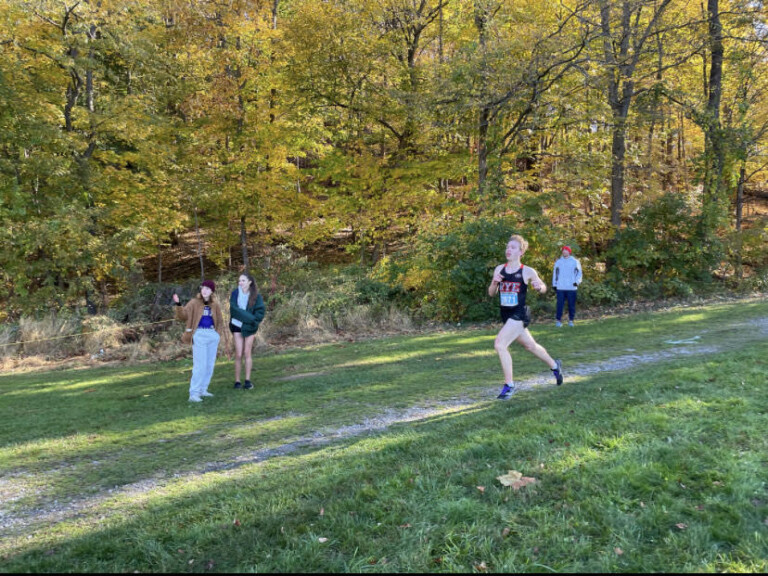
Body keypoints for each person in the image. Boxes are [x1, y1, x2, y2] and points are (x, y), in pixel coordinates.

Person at [489, 234, 564, 399]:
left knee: (500, 344)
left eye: (513, 248)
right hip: (507, 315)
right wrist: (494, 282)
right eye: (507, 247)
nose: (509, 250)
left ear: (521, 252)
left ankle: (509, 385)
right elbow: (491, 293)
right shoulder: (499, 269)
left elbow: (542, 287)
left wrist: (540, 287)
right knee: (531, 346)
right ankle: (555, 366)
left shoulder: (527, 271)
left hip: (520, 314)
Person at [173, 280, 231, 402]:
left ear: (212, 291)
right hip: (199, 334)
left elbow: (220, 322)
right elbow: (183, 316)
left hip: (212, 335)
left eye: (207, 289)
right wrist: (178, 304)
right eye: (203, 288)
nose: (204, 290)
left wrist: (217, 335)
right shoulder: (194, 302)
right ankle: (194, 393)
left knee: (209, 365)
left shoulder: (215, 305)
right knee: (200, 365)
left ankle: (203, 390)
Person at [229, 273, 266, 390]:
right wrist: (250, 318)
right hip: (237, 325)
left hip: (250, 327)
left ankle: (247, 380)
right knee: (239, 354)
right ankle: (237, 381)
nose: (240, 283)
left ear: (250, 282)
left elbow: (260, 312)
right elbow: (234, 310)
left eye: (243, 280)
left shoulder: (256, 296)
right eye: (239, 280)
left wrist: (252, 321)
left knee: (247, 353)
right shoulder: (235, 293)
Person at [552, 245, 582, 327]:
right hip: (560, 287)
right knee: (559, 305)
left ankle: (571, 320)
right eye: (563, 250)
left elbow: (579, 273)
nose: (564, 251)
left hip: (571, 287)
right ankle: (558, 321)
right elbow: (555, 273)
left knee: (571, 305)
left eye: (566, 250)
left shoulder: (575, 261)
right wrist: (554, 284)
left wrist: (577, 282)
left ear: (569, 251)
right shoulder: (558, 262)